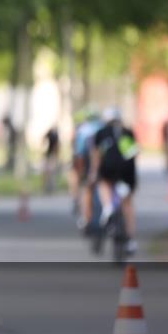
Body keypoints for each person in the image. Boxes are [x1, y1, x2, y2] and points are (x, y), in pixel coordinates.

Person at [89, 107, 140, 255]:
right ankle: (130, 240)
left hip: (108, 169)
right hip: (126, 172)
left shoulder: (101, 133)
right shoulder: (127, 132)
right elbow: (134, 155)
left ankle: (108, 207)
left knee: (103, 184)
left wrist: (93, 173)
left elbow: (96, 155)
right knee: (128, 204)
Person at [70, 108, 102, 226]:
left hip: (88, 161)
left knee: (87, 188)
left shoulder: (83, 130)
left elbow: (80, 152)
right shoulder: (103, 126)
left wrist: (80, 171)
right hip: (106, 163)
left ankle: (86, 217)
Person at [43, 126, 60, 194]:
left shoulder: (54, 135)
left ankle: (51, 187)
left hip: (51, 155)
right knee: (49, 171)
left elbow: (57, 146)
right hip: (50, 154)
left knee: (50, 171)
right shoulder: (52, 135)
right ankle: (49, 186)